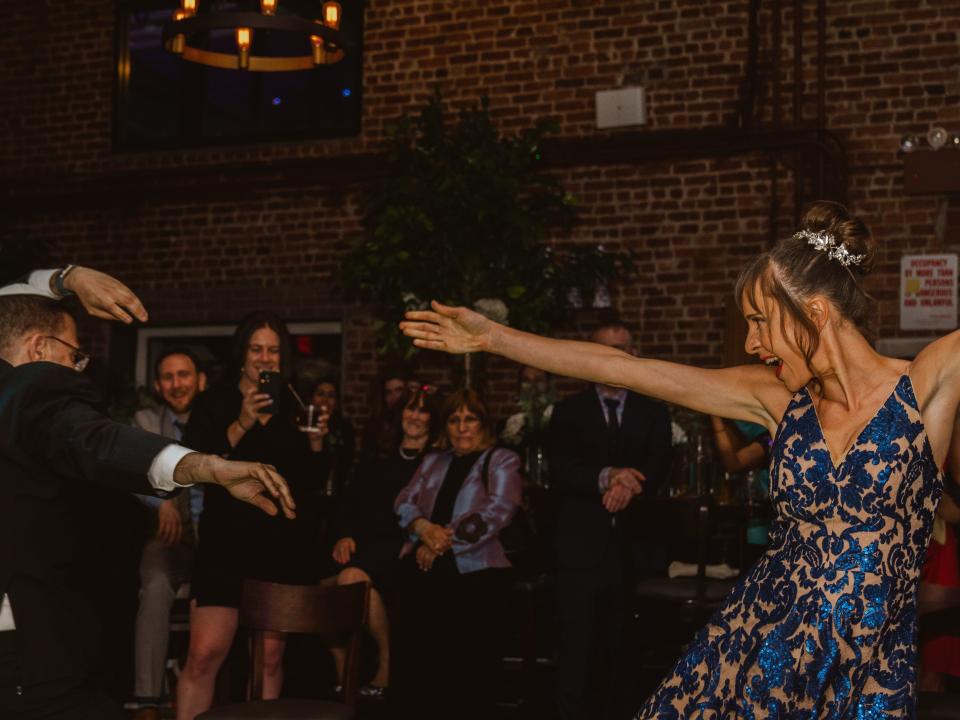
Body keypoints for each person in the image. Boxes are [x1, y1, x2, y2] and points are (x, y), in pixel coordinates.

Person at [401, 200, 956, 716]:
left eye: (759, 322)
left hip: (865, 668)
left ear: (811, 312)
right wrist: (493, 338)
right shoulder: (774, 398)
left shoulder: (924, 385)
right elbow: (621, 368)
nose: (752, 344)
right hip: (755, 645)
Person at [0, 293, 295, 720]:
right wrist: (208, 465)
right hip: (23, 646)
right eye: (74, 354)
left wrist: (65, 277)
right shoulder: (33, 390)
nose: (77, 366)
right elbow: (99, 441)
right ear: (39, 349)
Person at [176, 311, 329, 720]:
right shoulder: (214, 401)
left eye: (274, 350)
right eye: (257, 349)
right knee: (204, 655)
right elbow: (194, 463)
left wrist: (316, 445)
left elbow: (311, 484)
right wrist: (241, 422)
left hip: (279, 548)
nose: (265, 358)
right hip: (225, 546)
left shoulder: (297, 403)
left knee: (270, 660)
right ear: (242, 355)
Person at [548, 322, 671, 720]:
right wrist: (608, 475)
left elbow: (661, 465)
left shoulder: (653, 409)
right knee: (576, 644)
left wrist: (630, 484)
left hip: (636, 549)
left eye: (621, 349)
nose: (613, 356)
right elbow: (561, 468)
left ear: (632, 353)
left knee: (627, 647)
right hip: (581, 547)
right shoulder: (568, 411)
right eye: (604, 350)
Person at [391, 389, 523, 720]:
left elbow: (497, 511)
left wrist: (440, 541)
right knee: (419, 661)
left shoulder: (502, 459)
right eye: (454, 419)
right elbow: (403, 501)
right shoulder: (434, 460)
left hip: (477, 570)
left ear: (483, 424)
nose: (462, 427)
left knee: (466, 669)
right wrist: (423, 528)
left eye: (470, 418)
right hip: (424, 563)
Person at [325, 385, 442, 697]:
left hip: (403, 548)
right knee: (324, 584)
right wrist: (344, 535)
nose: (415, 416)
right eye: (410, 409)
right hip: (364, 544)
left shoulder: (436, 463)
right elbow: (349, 503)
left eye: (423, 410)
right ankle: (346, 669)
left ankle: (380, 663)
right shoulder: (378, 457)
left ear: (432, 420)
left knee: (350, 578)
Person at [130, 348, 207, 720]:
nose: (177, 384)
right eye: (169, 377)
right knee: (156, 582)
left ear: (201, 380)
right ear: (160, 386)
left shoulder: (217, 419)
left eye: (185, 375)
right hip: (170, 538)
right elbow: (130, 468)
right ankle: (148, 699)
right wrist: (160, 502)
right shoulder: (146, 420)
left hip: (218, 541)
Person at [309, 377, 356, 498]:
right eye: (320, 394)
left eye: (331, 396)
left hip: (338, 495)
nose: (325, 400)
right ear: (312, 398)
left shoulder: (345, 428)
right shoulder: (304, 427)